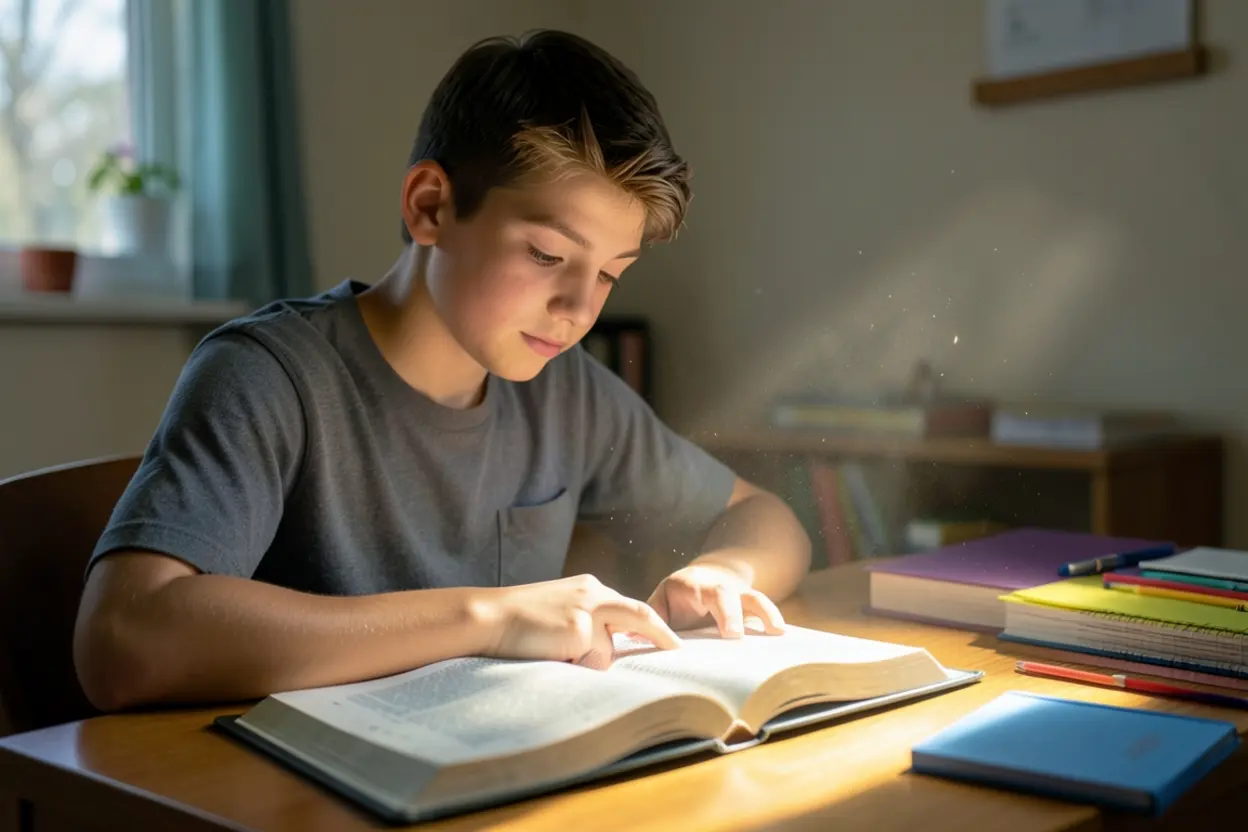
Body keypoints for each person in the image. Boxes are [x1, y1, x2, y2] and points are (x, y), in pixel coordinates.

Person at [73, 29, 811, 712]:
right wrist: (490, 617)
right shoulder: (269, 375)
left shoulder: (565, 391)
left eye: (610, 274)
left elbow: (764, 518)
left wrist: (730, 572)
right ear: (431, 207)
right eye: (548, 256)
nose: (578, 308)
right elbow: (122, 640)